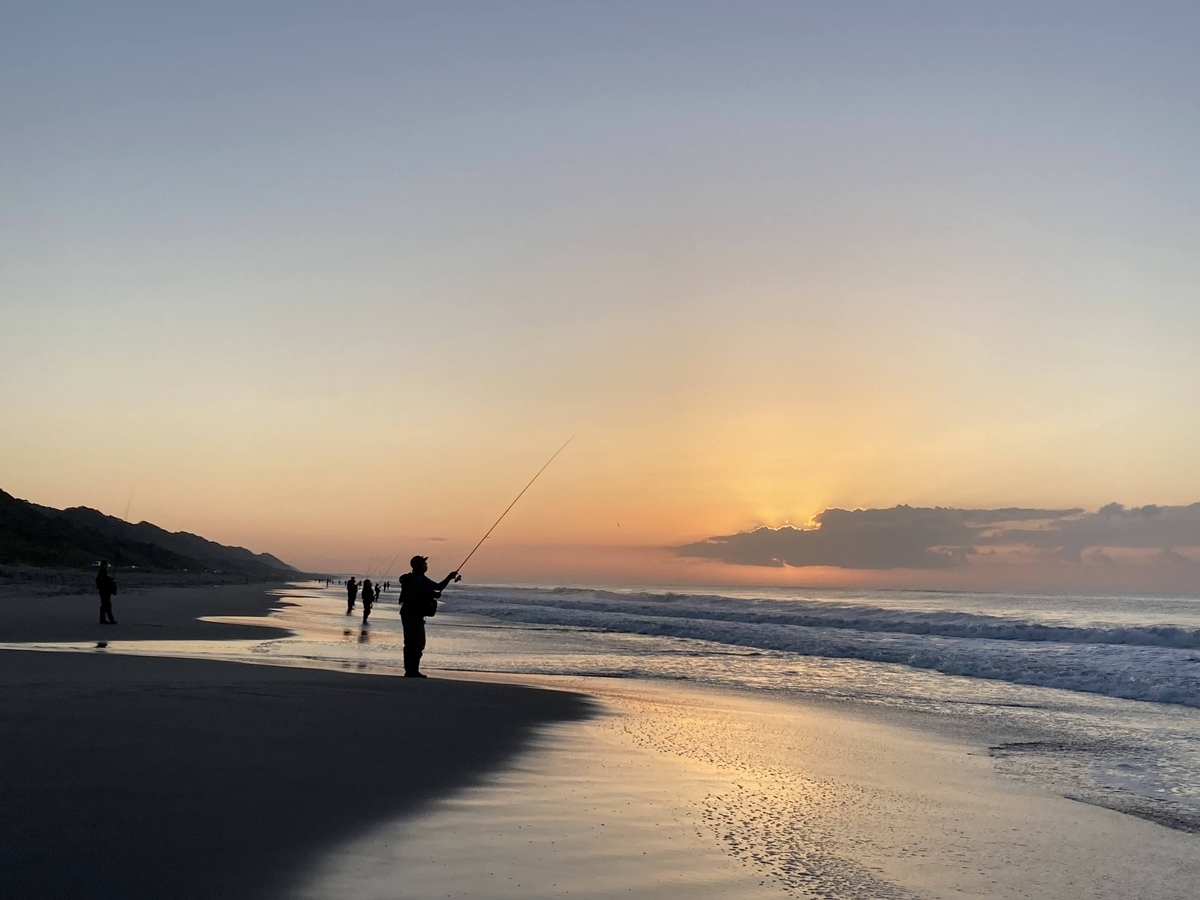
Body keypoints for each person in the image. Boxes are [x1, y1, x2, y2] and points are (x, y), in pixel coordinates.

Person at [397, 556, 458, 678]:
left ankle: (410, 670)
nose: (427, 565)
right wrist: (449, 577)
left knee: (410, 642)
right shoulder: (420, 579)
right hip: (414, 614)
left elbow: (430, 592)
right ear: (420, 566)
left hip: (408, 612)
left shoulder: (411, 578)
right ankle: (412, 671)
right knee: (417, 643)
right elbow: (437, 587)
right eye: (425, 563)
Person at [95, 560, 117, 625]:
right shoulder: (102, 572)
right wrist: (109, 581)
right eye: (106, 564)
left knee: (104, 605)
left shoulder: (103, 572)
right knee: (107, 605)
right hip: (104, 590)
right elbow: (102, 581)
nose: (107, 566)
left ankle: (103, 619)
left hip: (104, 590)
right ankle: (111, 620)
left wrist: (109, 579)